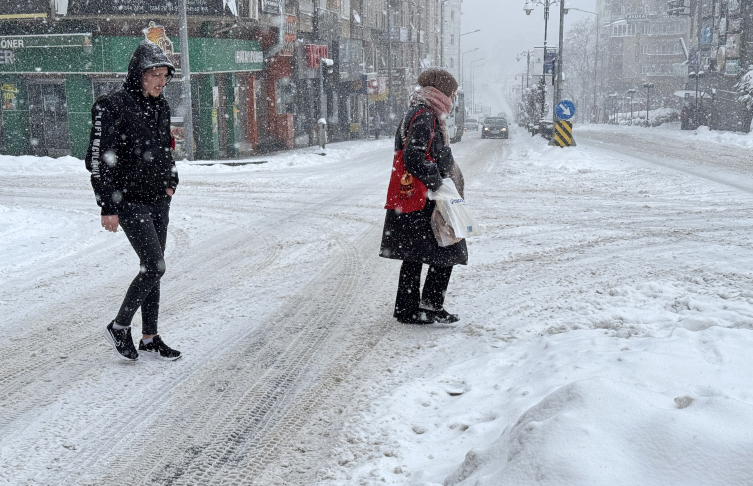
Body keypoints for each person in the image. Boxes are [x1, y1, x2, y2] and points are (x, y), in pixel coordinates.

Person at [85, 40, 181, 361]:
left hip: (158, 200)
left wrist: (171, 183)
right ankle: (119, 326)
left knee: (152, 268)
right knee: (155, 266)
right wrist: (107, 205)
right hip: (128, 201)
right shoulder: (110, 106)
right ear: (137, 75)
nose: (160, 81)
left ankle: (150, 337)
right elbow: (98, 159)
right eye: (154, 74)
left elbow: (166, 150)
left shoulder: (161, 106)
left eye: (164, 75)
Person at [379, 68, 468, 324]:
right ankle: (428, 305)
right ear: (441, 91)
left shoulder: (419, 111)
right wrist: (438, 183)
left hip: (415, 199)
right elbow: (414, 157)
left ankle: (408, 309)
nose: (452, 97)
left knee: (415, 254)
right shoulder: (425, 115)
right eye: (451, 92)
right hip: (424, 199)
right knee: (449, 247)